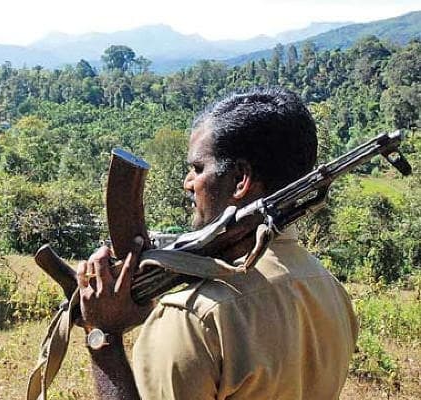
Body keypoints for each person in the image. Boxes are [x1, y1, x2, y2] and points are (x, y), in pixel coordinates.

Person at [76, 88, 358, 399]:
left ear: (240, 180)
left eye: (198, 169)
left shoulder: (193, 317)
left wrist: (103, 337)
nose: (187, 182)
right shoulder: (329, 289)